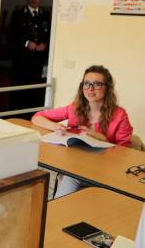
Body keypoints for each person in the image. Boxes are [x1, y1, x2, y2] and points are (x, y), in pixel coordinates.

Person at [31, 65, 133, 198]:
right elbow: (37, 117)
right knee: (66, 187)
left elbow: (126, 154)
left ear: (107, 88)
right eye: (86, 84)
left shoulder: (119, 115)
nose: (90, 88)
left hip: (105, 172)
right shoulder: (75, 108)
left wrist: (101, 138)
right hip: (76, 168)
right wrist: (56, 127)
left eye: (96, 84)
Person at [10, 0, 51, 110]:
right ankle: (17, 115)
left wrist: (45, 44)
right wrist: (27, 43)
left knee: (35, 92)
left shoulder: (46, 15)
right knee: (20, 92)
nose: (34, 0)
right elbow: (12, 35)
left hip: (38, 62)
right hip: (22, 62)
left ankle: (31, 116)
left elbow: (50, 34)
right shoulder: (18, 14)